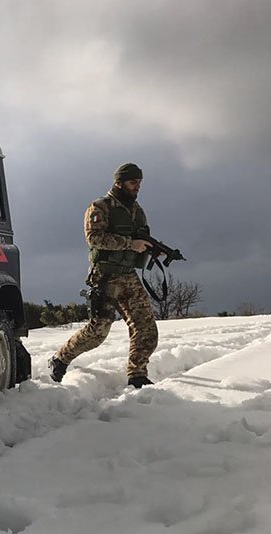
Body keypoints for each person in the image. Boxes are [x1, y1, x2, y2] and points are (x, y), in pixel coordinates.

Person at [49, 162, 158, 388]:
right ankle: (60, 358)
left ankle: (137, 374)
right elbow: (94, 239)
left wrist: (150, 248)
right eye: (133, 182)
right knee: (98, 330)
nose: (137, 186)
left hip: (128, 275)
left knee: (146, 327)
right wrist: (131, 244)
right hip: (105, 275)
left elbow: (142, 237)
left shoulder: (137, 211)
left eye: (139, 182)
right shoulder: (100, 207)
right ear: (119, 183)